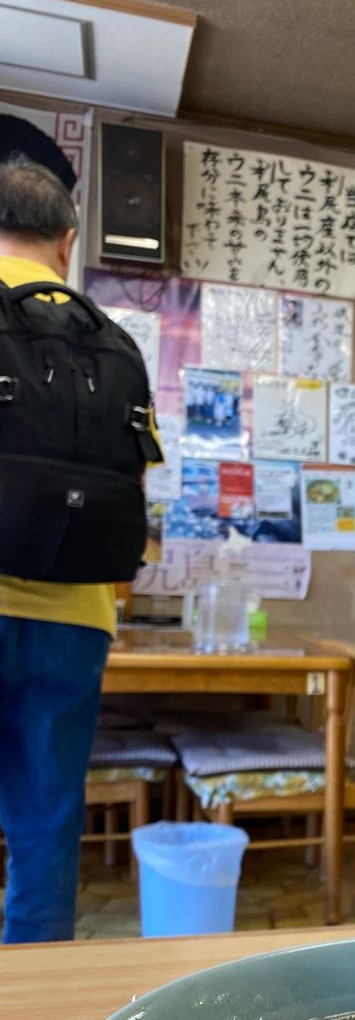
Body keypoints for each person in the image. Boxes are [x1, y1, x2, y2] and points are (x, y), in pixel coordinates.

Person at [0, 133, 152, 943]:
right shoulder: (116, 344)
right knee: (46, 833)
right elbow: (138, 487)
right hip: (76, 619)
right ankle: (26, 1019)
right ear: (67, 244)